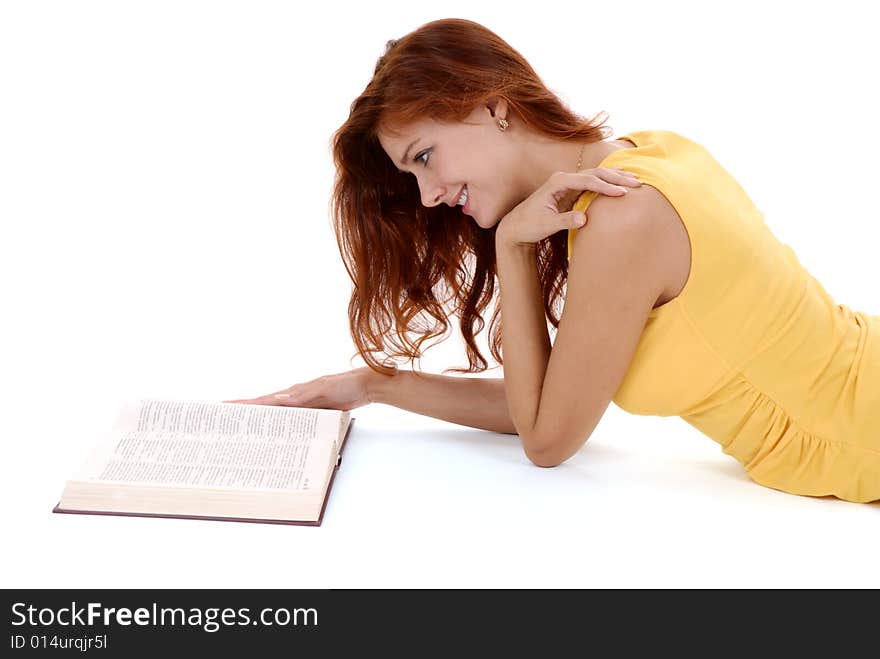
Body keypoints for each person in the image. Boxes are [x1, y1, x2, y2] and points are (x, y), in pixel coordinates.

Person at [224, 18, 880, 504]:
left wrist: (511, 243)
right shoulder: (643, 155)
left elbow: (547, 439)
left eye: (424, 157)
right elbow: (541, 403)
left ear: (491, 106)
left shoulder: (622, 216)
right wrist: (370, 385)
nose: (427, 195)